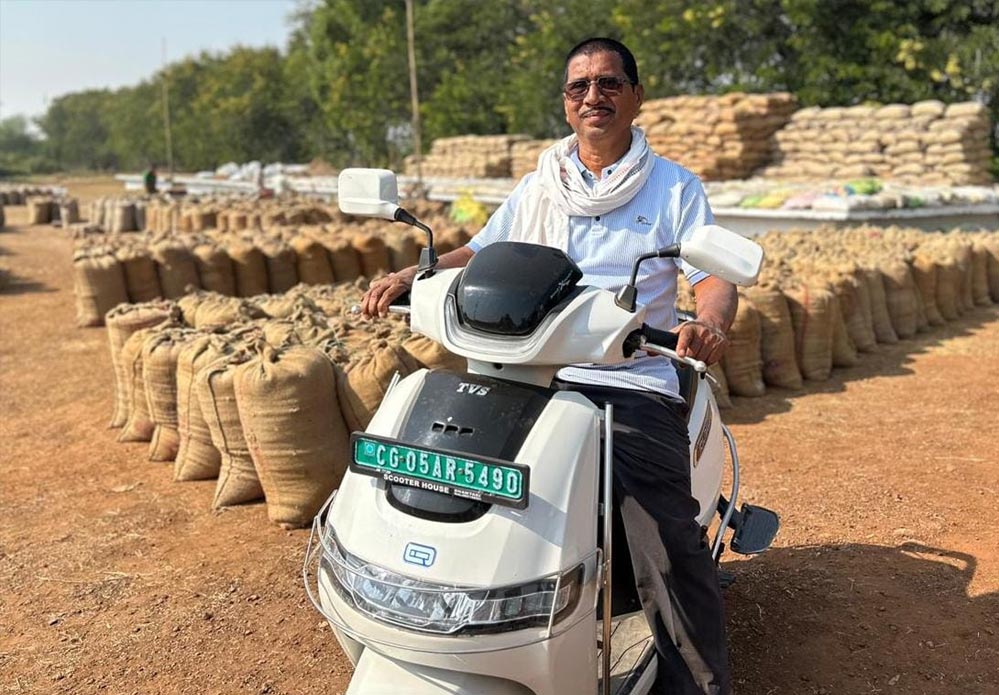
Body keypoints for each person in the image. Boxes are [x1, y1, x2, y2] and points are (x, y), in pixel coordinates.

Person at [362, 37, 736, 695]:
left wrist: (708, 323)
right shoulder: (542, 183)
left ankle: (696, 684)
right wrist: (414, 272)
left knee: (665, 539)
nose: (594, 96)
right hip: (526, 371)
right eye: (579, 86)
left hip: (626, 379)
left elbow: (712, 277)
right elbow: (482, 248)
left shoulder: (675, 187)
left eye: (609, 83)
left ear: (635, 96)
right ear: (566, 103)